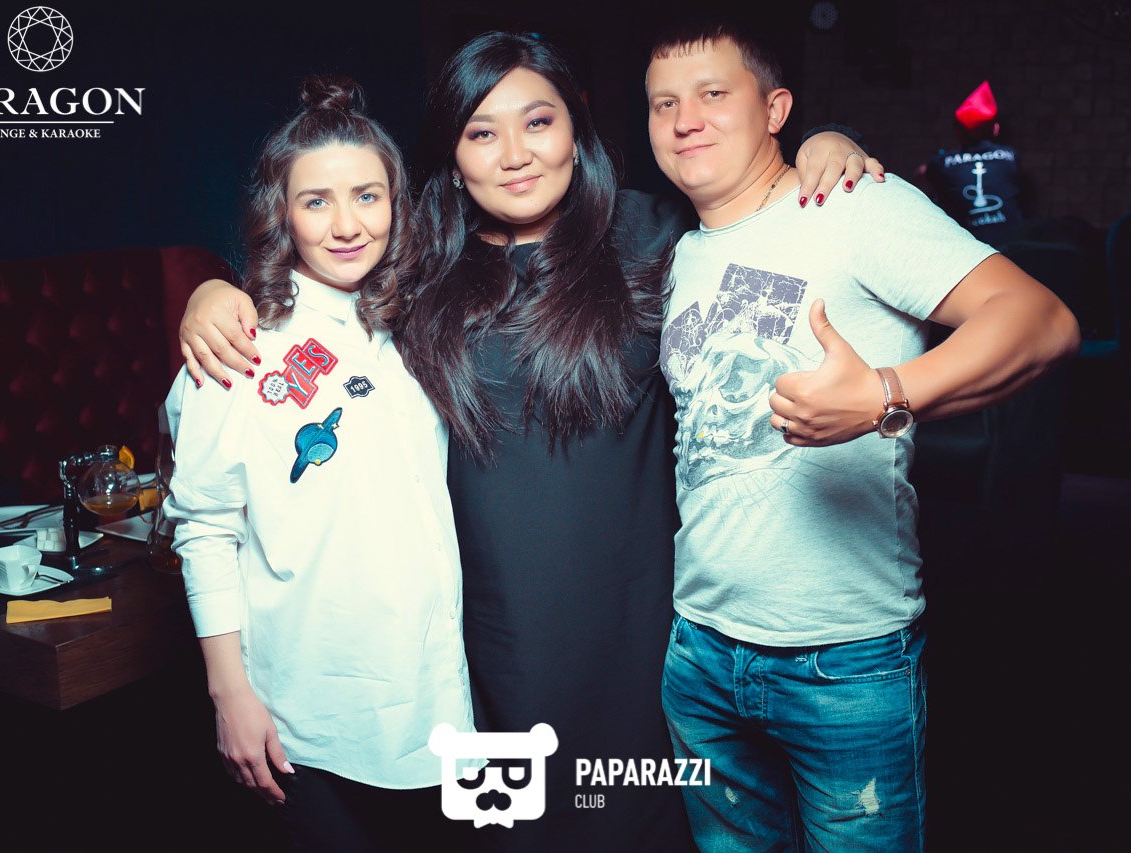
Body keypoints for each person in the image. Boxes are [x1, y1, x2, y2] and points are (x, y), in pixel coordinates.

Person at [175, 33, 878, 852]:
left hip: (640, 633)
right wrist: (212, 292)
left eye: (538, 122)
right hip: (486, 648)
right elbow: (314, 301)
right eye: (481, 132)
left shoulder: (654, 233)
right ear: (452, 158)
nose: (514, 154)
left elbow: (756, 204)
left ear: (576, 129)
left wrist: (825, 144)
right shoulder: (422, 271)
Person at [646, 22, 1080, 851]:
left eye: (712, 94)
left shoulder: (854, 205)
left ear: (776, 109)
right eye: (663, 104)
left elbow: (1042, 321)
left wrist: (886, 394)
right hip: (700, 652)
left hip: (842, 659)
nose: (684, 119)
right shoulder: (681, 254)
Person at [163, 76, 476, 852]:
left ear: (396, 202)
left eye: (367, 196)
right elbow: (204, 527)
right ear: (284, 214)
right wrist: (230, 694)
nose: (346, 225)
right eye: (316, 201)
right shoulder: (239, 343)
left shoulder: (420, 321)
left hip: (434, 698)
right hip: (307, 713)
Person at [923, 80, 1026, 245]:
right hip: (1013, 244)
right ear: (995, 129)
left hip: (971, 246)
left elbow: (922, 173)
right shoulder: (1011, 156)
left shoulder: (942, 163)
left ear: (958, 131)